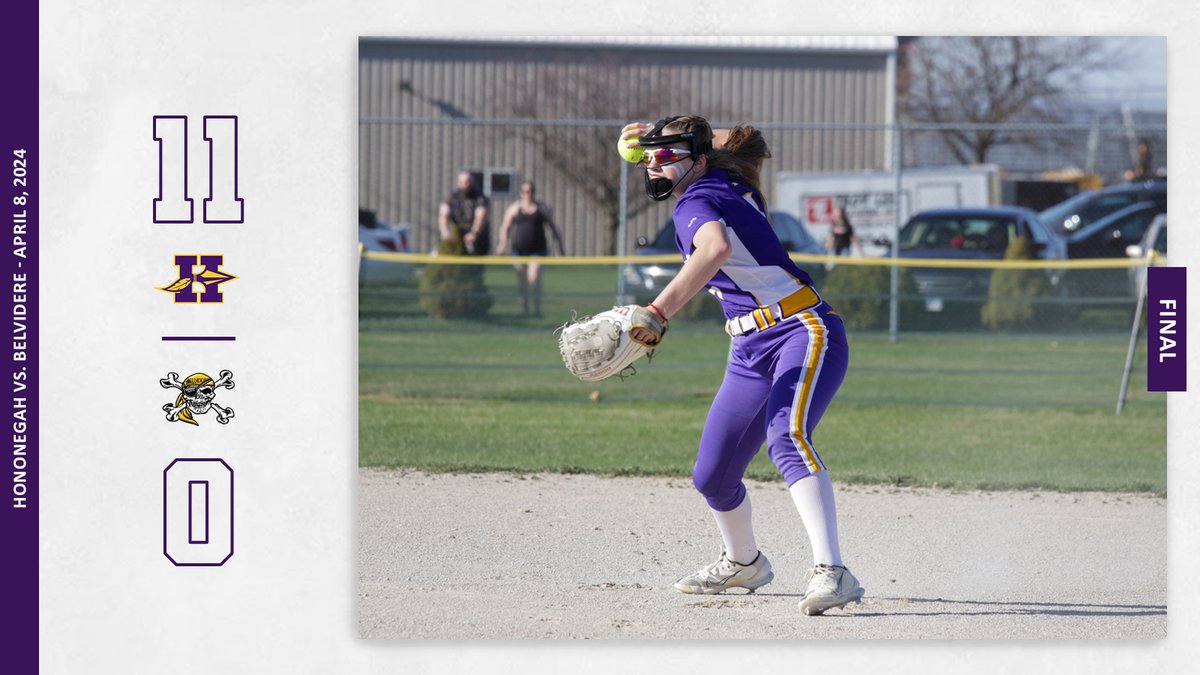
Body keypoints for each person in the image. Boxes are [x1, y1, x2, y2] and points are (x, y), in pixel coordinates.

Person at [619, 115, 864, 616]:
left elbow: (715, 249)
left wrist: (658, 311)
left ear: (699, 159)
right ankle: (744, 561)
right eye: (649, 157)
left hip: (802, 329)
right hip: (749, 349)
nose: (652, 163)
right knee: (712, 475)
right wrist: (658, 134)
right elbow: (731, 138)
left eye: (664, 155)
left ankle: (833, 571)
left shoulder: (698, 197)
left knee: (787, 436)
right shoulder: (723, 178)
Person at [496, 180, 566, 316]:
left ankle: (537, 309)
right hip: (519, 250)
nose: (528, 194)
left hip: (537, 250)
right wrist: (502, 244)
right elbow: (505, 227)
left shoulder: (542, 208)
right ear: (521, 194)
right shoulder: (515, 209)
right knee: (522, 282)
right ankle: (525, 308)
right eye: (526, 191)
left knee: (533, 279)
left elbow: (553, 228)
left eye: (531, 191)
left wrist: (559, 245)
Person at [438, 171, 490, 255]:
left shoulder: (479, 197)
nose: (465, 184)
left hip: (476, 235)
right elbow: (444, 212)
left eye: (468, 181)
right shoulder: (452, 196)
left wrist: (474, 233)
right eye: (462, 182)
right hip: (457, 232)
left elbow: (481, 216)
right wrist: (445, 232)